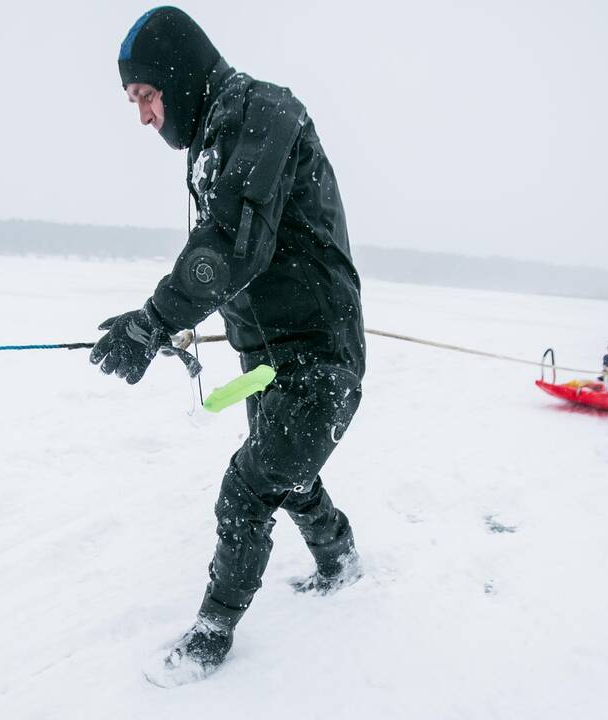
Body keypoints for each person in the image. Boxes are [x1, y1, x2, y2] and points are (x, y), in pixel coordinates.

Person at [90, 6, 367, 683]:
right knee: (286, 476)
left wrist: (154, 318)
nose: (145, 117)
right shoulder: (221, 128)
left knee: (248, 489)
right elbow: (231, 249)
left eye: (146, 95)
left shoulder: (262, 111)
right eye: (135, 101)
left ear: (178, 76)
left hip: (319, 359)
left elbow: (232, 243)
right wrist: (158, 320)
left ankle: (214, 636)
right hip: (269, 360)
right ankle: (342, 558)